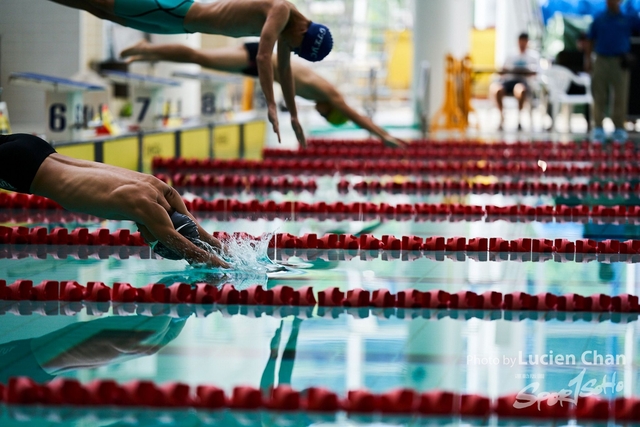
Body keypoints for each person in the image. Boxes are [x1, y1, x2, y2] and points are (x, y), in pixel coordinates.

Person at [48, 0, 335, 148]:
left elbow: (283, 70)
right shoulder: (282, 10)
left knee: (103, 13)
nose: (293, 52)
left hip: (179, 23)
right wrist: (272, 105)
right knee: (103, 4)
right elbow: (263, 57)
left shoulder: (290, 30)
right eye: (299, 50)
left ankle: (145, 48)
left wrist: (294, 115)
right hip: (175, 11)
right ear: (303, 33)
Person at [0, 133, 230, 268]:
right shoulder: (145, 209)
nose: (143, 237)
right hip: (24, 171)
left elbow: (194, 227)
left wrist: (224, 250)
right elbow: (192, 252)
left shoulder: (161, 190)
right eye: (151, 242)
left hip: (37, 148)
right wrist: (225, 269)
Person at [121, 41, 406, 148]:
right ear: (331, 110)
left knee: (202, 58)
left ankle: (148, 51)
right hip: (260, 55)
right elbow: (357, 117)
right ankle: (146, 50)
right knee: (200, 56)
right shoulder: (331, 96)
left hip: (260, 66)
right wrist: (385, 137)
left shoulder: (327, 96)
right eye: (326, 116)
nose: (319, 113)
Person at [586, 0, 640, 142]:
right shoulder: (599, 18)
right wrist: (588, 60)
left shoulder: (628, 17)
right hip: (601, 60)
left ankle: (619, 128)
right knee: (599, 95)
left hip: (620, 61)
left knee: (620, 95)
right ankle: (598, 127)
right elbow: (590, 39)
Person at [490, 32, 539, 131]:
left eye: (524, 41)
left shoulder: (533, 56)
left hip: (523, 82)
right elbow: (502, 71)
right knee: (496, 90)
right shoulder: (511, 55)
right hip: (509, 81)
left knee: (520, 90)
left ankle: (519, 118)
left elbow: (537, 73)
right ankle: (501, 116)